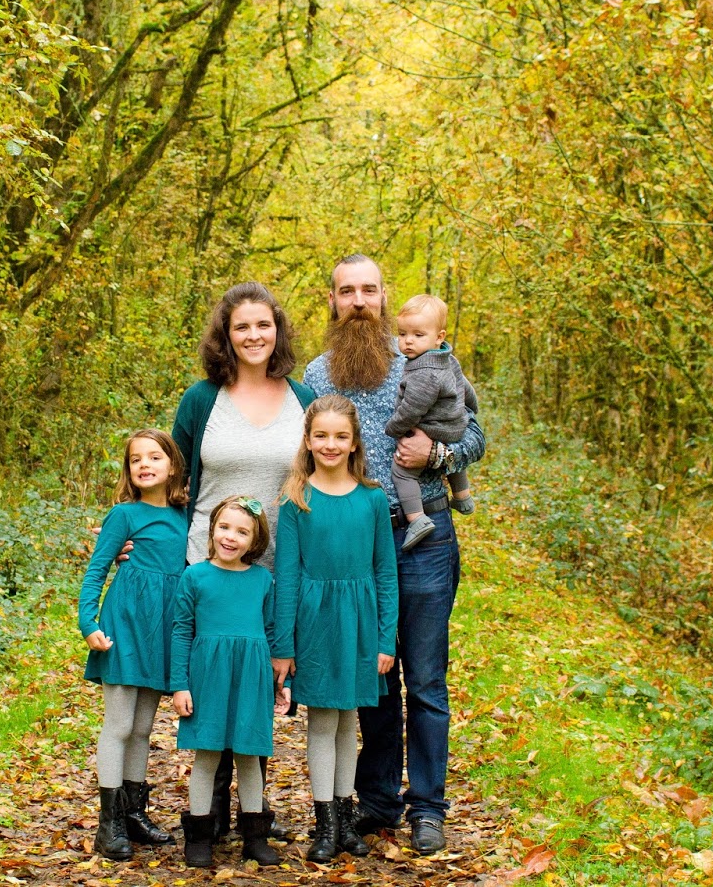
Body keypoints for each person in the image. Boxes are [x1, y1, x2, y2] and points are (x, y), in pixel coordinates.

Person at [302, 254, 486, 855]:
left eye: (369, 290)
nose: (358, 301)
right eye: (346, 291)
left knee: (426, 680)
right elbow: (300, 458)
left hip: (424, 535)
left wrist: (437, 457)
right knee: (374, 677)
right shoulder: (317, 374)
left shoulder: (424, 359)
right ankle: (377, 801)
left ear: (384, 297)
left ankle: (427, 808)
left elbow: (476, 436)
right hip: (354, 546)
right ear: (332, 301)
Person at [169, 282, 314, 839]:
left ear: (277, 330)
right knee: (212, 682)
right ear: (225, 336)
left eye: (263, 325)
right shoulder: (201, 400)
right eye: (242, 327)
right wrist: (141, 537)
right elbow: (172, 481)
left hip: (275, 570)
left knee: (256, 685)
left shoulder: (302, 398)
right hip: (208, 565)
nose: (254, 335)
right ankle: (209, 817)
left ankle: (254, 815)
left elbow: (319, 478)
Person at [270, 395, 397, 862]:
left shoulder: (373, 498)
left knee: (348, 722)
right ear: (307, 441)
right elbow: (287, 576)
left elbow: (385, 572)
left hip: (359, 622)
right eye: (321, 435)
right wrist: (283, 644)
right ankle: (324, 824)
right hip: (316, 622)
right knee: (323, 721)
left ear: (354, 442)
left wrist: (385, 638)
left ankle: (344, 822)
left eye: (340, 436)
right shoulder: (296, 499)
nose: (330, 444)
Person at [77, 430, 190, 859]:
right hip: (124, 625)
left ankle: (133, 814)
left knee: (143, 729)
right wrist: (88, 621)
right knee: (120, 725)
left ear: (173, 465)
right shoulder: (123, 515)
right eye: (136, 459)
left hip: (162, 629)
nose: (144, 464)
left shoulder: (185, 517)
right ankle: (108, 826)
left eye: (155, 457)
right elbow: (96, 569)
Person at [171, 497, 283, 869]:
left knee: (250, 756)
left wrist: (279, 683)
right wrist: (180, 684)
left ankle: (255, 838)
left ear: (255, 541)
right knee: (207, 756)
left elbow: (270, 632)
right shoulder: (195, 576)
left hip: (251, 677)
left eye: (242, 532)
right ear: (212, 529)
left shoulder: (262, 580)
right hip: (208, 679)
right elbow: (181, 631)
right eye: (224, 527)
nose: (230, 537)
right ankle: (200, 838)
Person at [387, 293, 478, 550]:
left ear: (439, 336)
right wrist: (470, 409)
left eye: (418, 335)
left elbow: (412, 409)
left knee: (401, 472)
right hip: (453, 425)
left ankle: (417, 519)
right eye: (402, 334)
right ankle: (462, 496)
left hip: (433, 427)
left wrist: (393, 428)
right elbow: (466, 390)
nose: (408, 341)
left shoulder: (423, 371)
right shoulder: (448, 359)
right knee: (453, 463)